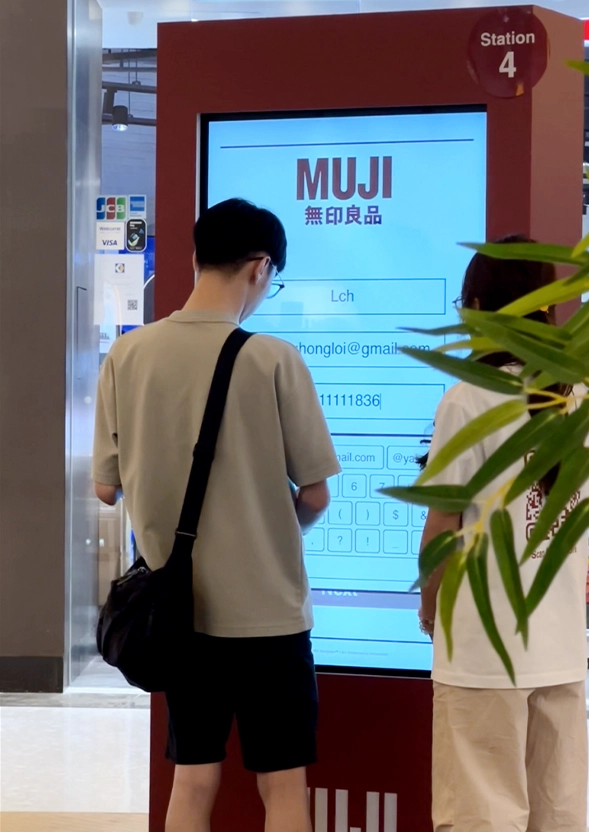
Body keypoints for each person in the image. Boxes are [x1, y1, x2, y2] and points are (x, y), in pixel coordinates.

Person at [92, 198, 341, 832]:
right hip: (270, 615)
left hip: (180, 614)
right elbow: (316, 494)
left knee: (194, 778)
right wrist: (270, 530)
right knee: (282, 785)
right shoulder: (274, 359)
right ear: (260, 268)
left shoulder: (127, 355)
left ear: (196, 257)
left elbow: (105, 489)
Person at [419, 235, 589, 832]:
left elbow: (442, 527)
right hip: (561, 645)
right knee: (558, 815)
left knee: (479, 817)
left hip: (481, 651)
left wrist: (429, 606)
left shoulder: (468, 399)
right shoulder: (582, 398)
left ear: (478, 309)